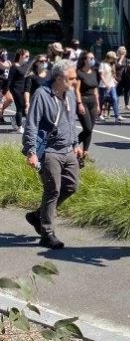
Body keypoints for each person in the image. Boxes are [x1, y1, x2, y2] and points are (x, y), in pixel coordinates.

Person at [21, 60, 83, 249]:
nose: (75, 81)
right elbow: (32, 123)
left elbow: (71, 122)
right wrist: (31, 151)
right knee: (53, 189)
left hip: (68, 149)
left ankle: (37, 215)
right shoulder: (42, 94)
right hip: (49, 151)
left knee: (71, 186)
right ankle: (47, 232)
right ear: (59, 78)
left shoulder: (70, 95)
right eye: (71, 78)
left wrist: (75, 144)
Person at [76, 52, 100, 164]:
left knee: (90, 130)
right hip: (83, 101)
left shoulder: (94, 72)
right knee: (87, 128)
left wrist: (98, 104)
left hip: (93, 103)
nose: (93, 60)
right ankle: (73, 144)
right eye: (91, 58)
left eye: (93, 58)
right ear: (85, 60)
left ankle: (85, 154)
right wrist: (79, 103)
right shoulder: (79, 73)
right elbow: (76, 90)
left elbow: (95, 90)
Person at [6, 49, 31, 133]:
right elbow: (9, 80)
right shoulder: (14, 66)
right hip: (15, 89)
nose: (28, 58)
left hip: (25, 90)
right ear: (20, 56)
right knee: (19, 107)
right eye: (26, 56)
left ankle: (15, 119)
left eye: (28, 56)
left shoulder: (27, 67)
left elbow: (28, 79)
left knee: (25, 108)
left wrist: (28, 89)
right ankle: (19, 127)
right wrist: (7, 90)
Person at [97, 51, 122, 123]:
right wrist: (106, 83)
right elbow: (101, 75)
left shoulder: (112, 64)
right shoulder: (102, 64)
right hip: (103, 85)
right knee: (102, 100)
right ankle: (99, 114)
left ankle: (117, 116)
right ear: (109, 58)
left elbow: (111, 74)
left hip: (111, 84)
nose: (114, 60)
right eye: (113, 58)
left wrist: (114, 80)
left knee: (115, 98)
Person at [116, 46, 130, 111]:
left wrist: (129, 66)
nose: (122, 54)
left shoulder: (127, 60)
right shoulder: (115, 60)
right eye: (121, 53)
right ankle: (114, 104)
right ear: (118, 53)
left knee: (126, 92)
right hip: (118, 78)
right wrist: (121, 59)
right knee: (117, 92)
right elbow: (117, 66)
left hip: (126, 79)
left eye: (124, 53)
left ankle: (126, 105)